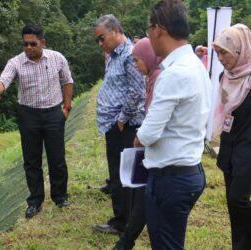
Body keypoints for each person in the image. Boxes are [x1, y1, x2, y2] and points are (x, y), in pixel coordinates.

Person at [133, 1, 212, 249]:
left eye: (148, 31)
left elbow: (148, 133)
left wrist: (138, 137)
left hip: (171, 179)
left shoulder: (174, 73)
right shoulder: (195, 66)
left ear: (158, 29)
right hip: (190, 170)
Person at [0, 24, 73, 219]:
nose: (29, 48)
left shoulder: (57, 58)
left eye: (33, 43)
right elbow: (3, 80)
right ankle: (35, 201)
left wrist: (66, 108)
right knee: (31, 161)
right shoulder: (16, 62)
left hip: (52, 114)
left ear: (42, 42)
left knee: (57, 159)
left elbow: (67, 81)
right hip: (29, 115)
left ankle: (60, 197)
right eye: (25, 44)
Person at [92, 14, 146, 235]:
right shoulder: (114, 55)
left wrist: (122, 119)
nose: (100, 43)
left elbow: (137, 91)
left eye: (102, 38)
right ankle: (125, 218)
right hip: (114, 124)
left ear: (115, 31)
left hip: (124, 125)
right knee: (117, 173)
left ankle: (122, 222)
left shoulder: (130, 55)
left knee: (122, 174)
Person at [113, 37, 163, 250]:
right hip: (149, 148)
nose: (135, 65)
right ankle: (126, 240)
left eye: (137, 60)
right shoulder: (151, 78)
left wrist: (141, 136)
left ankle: (125, 242)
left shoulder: (161, 79)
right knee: (139, 194)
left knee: (143, 197)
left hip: (156, 152)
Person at [212, 23, 251, 250]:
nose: (220, 58)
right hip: (229, 143)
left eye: (223, 52)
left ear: (239, 50)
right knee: (231, 202)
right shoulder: (224, 76)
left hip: (248, 146)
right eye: (217, 52)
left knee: (238, 199)